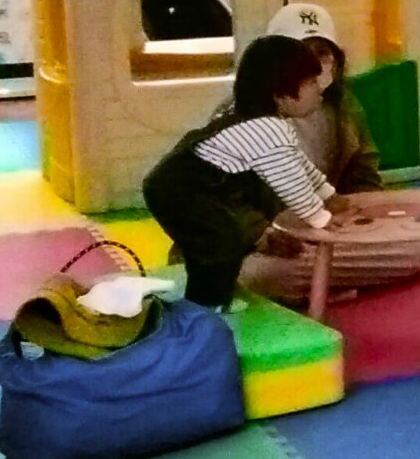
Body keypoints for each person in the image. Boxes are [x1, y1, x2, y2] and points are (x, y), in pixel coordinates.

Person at [238, 4, 420, 306]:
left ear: (336, 60)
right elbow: (218, 204)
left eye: (322, 53)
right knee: (254, 274)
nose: (313, 62)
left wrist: (370, 224)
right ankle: (322, 285)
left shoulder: (345, 107)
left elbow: (365, 178)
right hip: (267, 244)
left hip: (328, 234)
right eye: (301, 52)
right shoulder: (244, 115)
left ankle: (316, 288)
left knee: (418, 252)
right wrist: (262, 237)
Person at [142, 36, 337, 309]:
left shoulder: (258, 120)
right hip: (182, 190)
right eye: (312, 83)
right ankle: (207, 308)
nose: (320, 89)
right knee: (219, 248)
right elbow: (291, 184)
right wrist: (320, 218)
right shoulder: (267, 129)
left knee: (216, 248)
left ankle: (207, 302)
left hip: (185, 187)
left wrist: (327, 193)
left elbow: (299, 164)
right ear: (281, 94)